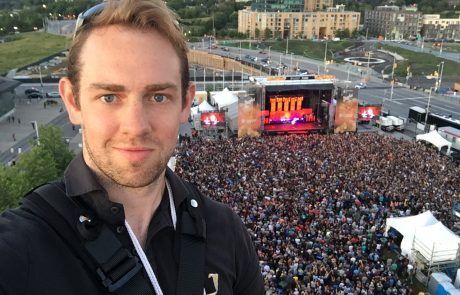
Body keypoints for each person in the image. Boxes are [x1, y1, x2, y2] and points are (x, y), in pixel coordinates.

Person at [0, 1, 263, 294]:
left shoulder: (224, 231)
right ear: (73, 102)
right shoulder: (21, 248)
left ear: (185, 103)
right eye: (110, 97)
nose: (136, 126)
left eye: (158, 97)